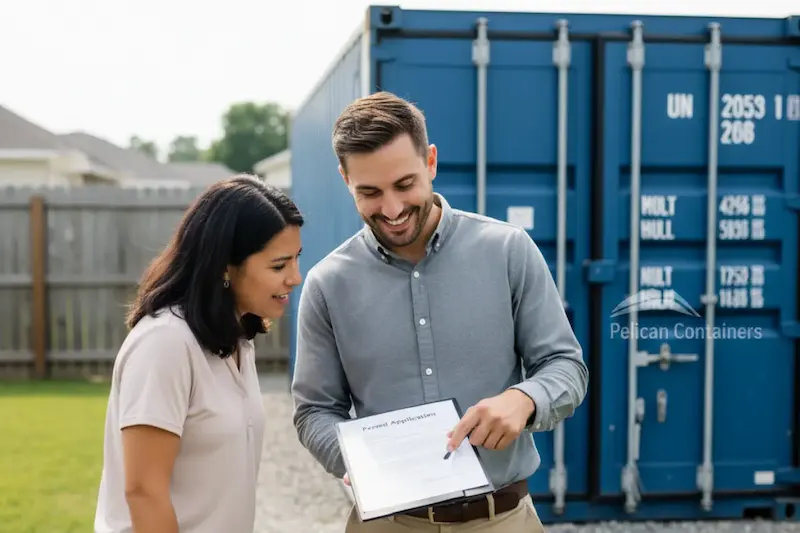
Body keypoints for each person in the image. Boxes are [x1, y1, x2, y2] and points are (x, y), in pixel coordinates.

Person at [291, 91, 589, 532]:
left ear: (430, 162)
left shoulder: (508, 251)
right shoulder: (327, 284)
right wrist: (356, 459)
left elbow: (566, 367)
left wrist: (524, 399)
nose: (391, 209)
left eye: (405, 184)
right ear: (344, 179)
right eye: (369, 192)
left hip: (501, 519)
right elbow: (314, 410)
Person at [94, 174, 304, 533]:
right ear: (225, 265)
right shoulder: (165, 344)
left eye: (296, 260)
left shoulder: (237, 341)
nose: (295, 277)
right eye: (278, 265)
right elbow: (144, 491)